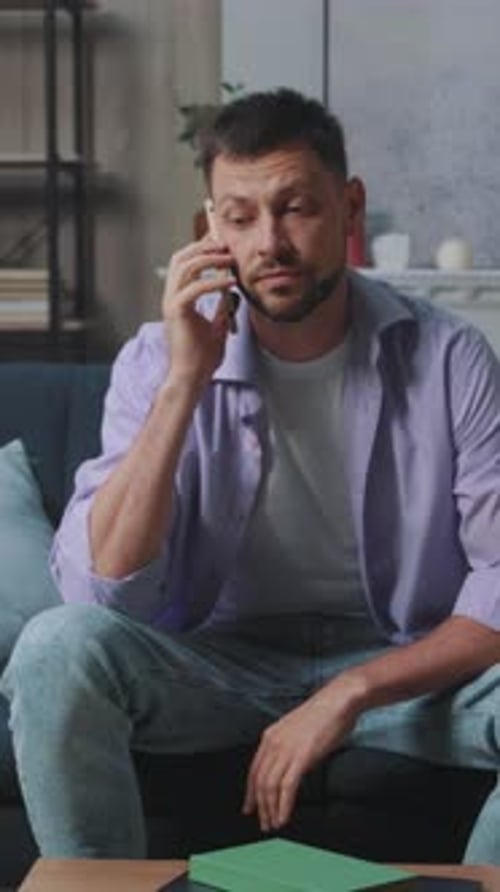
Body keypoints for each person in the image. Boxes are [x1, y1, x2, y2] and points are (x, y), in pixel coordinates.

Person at [1, 88, 500, 863]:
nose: (269, 241)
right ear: (211, 229)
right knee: (53, 647)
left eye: (296, 207)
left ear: (350, 206)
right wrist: (183, 383)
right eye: (239, 218)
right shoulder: (154, 360)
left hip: (399, 665)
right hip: (216, 666)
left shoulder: (448, 357)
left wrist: (352, 690)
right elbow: (104, 592)